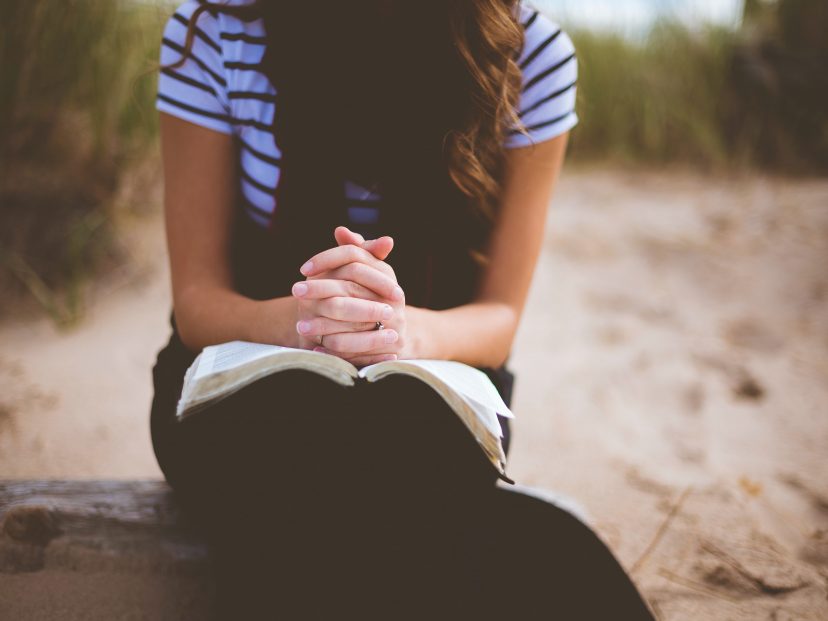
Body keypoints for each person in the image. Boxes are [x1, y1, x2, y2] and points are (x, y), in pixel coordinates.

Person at [150, 1, 655, 618]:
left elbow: (499, 318)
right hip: (240, 374)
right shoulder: (219, 29)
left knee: (399, 457)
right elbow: (197, 304)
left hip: (435, 384)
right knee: (302, 455)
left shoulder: (531, 56)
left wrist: (398, 332)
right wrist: (312, 323)